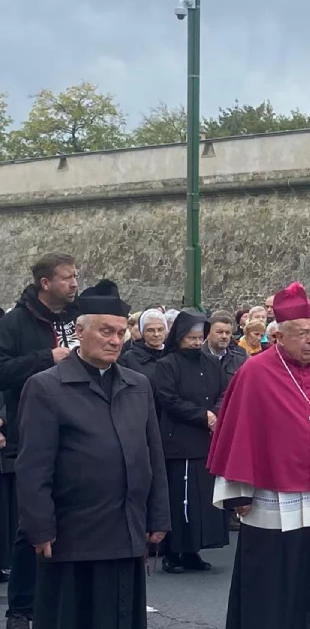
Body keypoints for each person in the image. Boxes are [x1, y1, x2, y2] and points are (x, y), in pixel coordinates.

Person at [208, 283, 310, 629]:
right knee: (269, 584)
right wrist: (240, 493)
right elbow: (237, 433)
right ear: (279, 335)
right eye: (302, 334)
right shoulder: (254, 372)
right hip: (271, 498)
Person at [17, 280, 170, 629]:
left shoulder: (138, 385)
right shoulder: (45, 387)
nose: (115, 340)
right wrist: (39, 528)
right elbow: (33, 468)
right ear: (80, 331)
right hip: (73, 537)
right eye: (105, 331)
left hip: (127, 530)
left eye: (120, 332)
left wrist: (159, 515)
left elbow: (153, 454)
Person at [0, 253, 79, 629]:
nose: (74, 283)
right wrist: (46, 358)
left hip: (80, 429)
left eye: (76, 276)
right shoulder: (15, 322)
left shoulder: (79, 318)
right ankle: (20, 607)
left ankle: (67, 601)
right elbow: (2, 371)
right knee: (30, 525)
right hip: (32, 429)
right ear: (46, 283)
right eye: (67, 278)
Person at [151, 309, 229, 574]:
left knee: (202, 500)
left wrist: (216, 414)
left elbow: (223, 392)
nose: (196, 343)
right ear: (180, 337)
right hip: (179, 439)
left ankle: (194, 549)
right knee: (180, 498)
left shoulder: (211, 363)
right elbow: (167, 398)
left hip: (206, 440)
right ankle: (173, 552)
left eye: (199, 338)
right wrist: (201, 416)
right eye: (191, 338)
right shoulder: (167, 364)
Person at [118, 309, 167, 380]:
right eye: (150, 330)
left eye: (160, 329)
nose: (156, 334)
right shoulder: (129, 359)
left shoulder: (173, 355)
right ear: (142, 332)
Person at [203, 310, 248, 378]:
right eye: (219, 332)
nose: (224, 336)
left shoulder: (239, 360)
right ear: (208, 334)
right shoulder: (196, 358)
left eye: (227, 333)